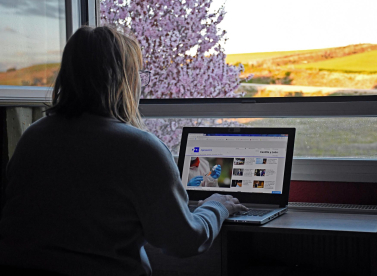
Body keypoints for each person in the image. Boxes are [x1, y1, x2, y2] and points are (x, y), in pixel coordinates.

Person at [0, 26, 247, 276]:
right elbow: (184, 242)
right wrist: (217, 206)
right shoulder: (139, 148)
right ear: (125, 80)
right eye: (138, 74)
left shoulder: (33, 136)